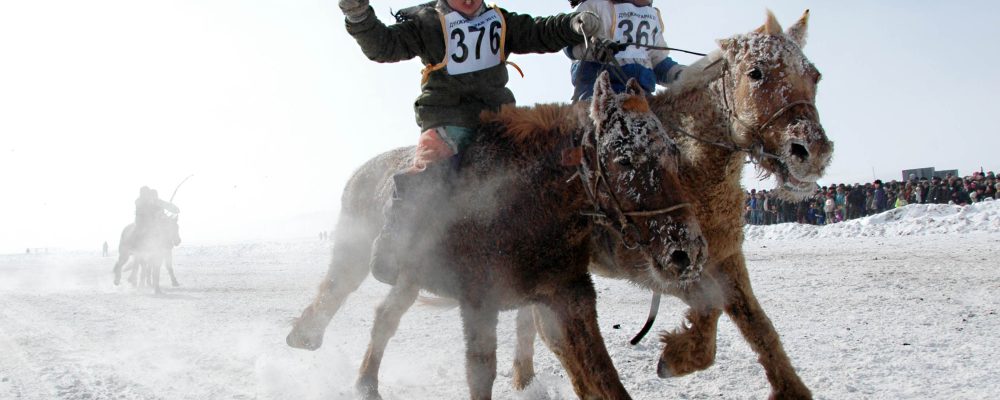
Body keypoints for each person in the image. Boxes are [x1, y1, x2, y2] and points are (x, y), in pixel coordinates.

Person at [337, 0, 602, 284]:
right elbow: (384, 45)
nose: (469, 1)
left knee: (539, 167)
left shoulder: (499, 21)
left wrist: (572, 25)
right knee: (429, 172)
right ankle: (393, 245)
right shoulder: (429, 24)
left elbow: (540, 31)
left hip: (497, 120)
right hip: (447, 119)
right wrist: (358, 15)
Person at [564, 0, 685, 101]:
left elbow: (658, 62)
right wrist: (595, 49)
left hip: (641, 99)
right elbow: (569, 44)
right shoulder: (594, 6)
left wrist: (683, 75)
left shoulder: (651, 16)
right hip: (598, 96)